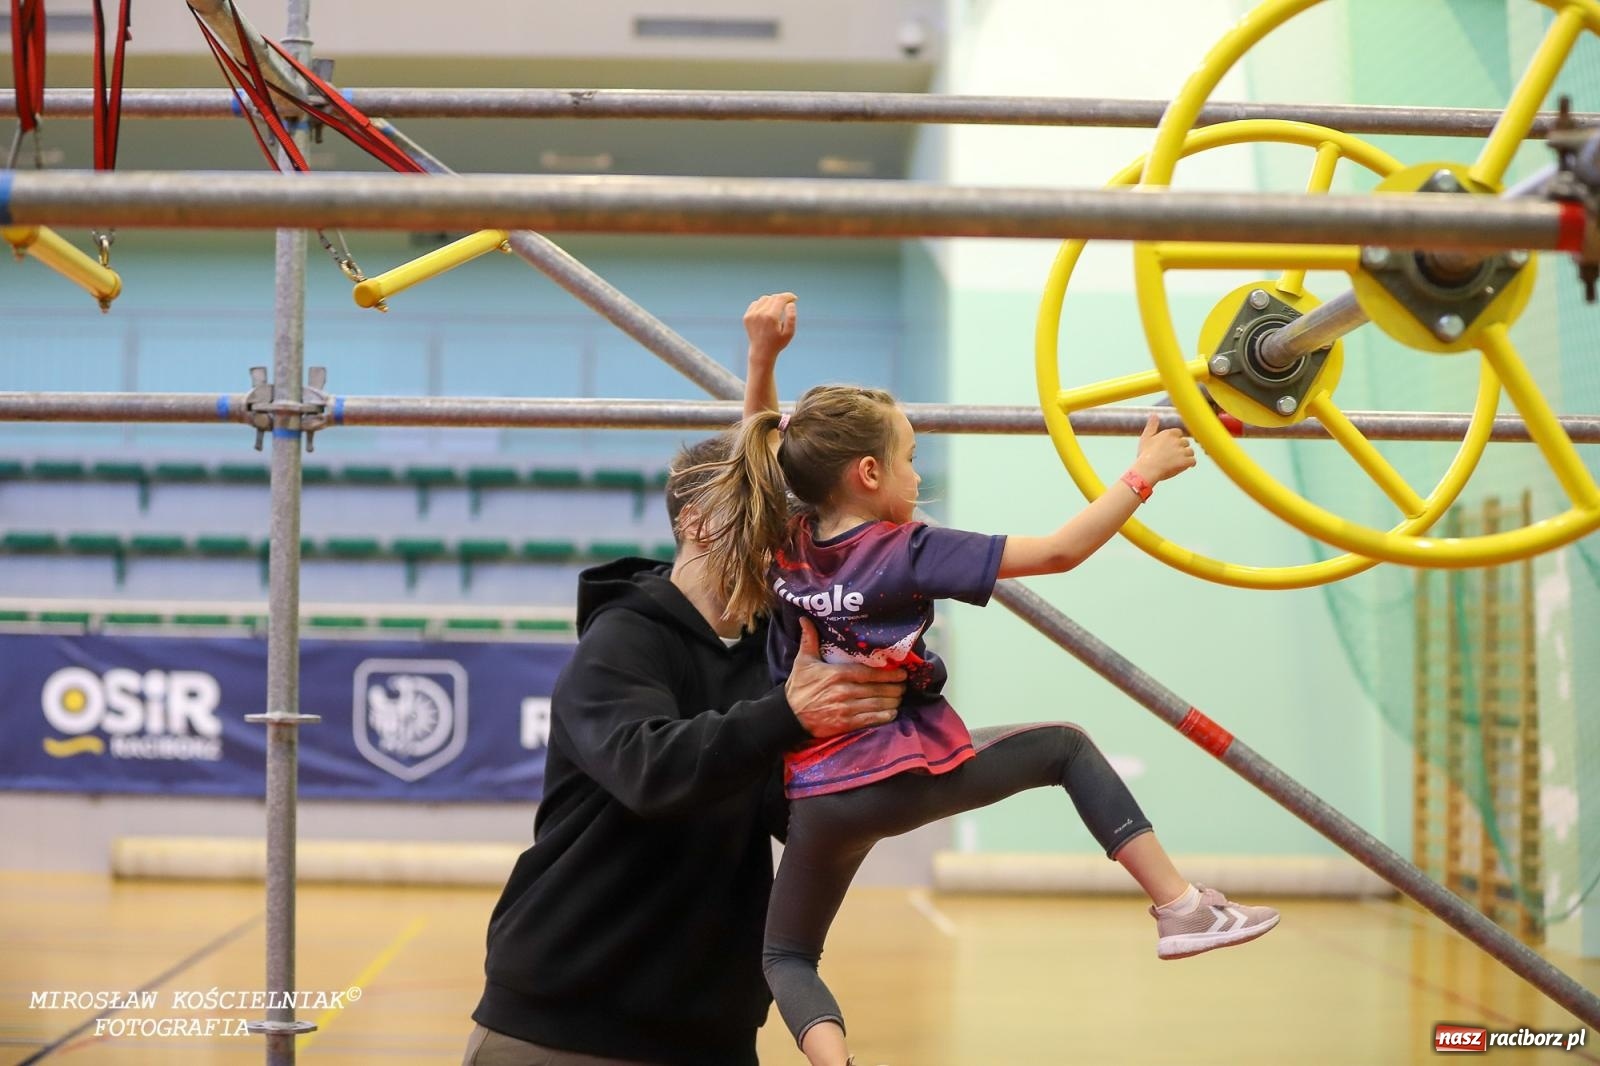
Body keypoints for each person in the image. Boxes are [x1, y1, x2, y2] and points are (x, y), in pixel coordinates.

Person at [683, 293, 1281, 1066]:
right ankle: (1181, 907)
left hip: (816, 800)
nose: (915, 472)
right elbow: (1062, 552)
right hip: (901, 772)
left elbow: (760, 459)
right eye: (908, 458)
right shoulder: (907, 548)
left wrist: (762, 359)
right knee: (1064, 748)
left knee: (788, 958)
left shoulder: (786, 543)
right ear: (869, 473)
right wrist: (1142, 474)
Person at [464, 297, 909, 1066]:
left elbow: (784, 806)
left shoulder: (774, 649)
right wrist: (789, 715)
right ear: (700, 525)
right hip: (560, 1034)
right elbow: (653, 770)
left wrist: (869, 773)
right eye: (767, 518)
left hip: (711, 1036)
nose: (786, 536)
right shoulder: (624, 638)